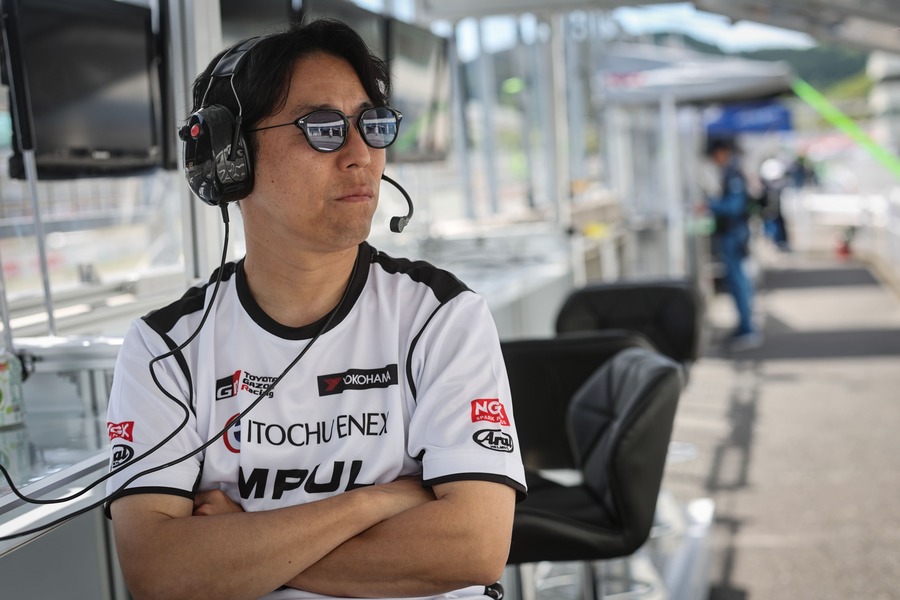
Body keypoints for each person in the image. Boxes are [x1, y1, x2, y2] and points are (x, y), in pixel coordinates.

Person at [105, 19, 526, 600]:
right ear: (231, 157)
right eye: (323, 129)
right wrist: (374, 501)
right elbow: (158, 571)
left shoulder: (441, 316)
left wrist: (242, 545)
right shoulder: (164, 349)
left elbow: (473, 547)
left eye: (371, 125)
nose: (361, 155)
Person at [705, 138, 763, 352]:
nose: (714, 161)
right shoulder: (734, 170)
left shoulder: (734, 173)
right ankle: (744, 326)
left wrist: (711, 204)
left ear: (721, 152)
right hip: (734, 233)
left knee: (739, 282)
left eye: (714, 157)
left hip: (734, 234)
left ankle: (747, 329)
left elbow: (734, 207)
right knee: (738, 282)